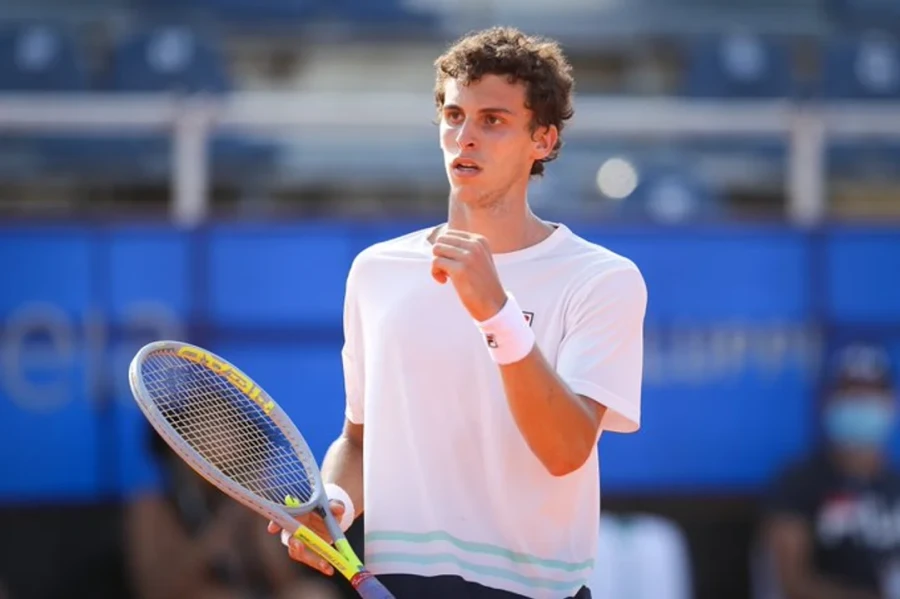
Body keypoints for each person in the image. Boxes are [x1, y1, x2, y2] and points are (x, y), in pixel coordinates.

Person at [268, 26, 647, 599]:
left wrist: (496, 314)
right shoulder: (377, 270)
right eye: (453, 116)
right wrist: (335, 503)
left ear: (541, 140)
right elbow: (361, 440)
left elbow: (567, 449)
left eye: (493, 120)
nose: (465, 137)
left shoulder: (602, 279)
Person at [125, 423, 338, 599]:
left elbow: (284, 580)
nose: (222, 436)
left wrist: (261, 519)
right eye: (206, 425)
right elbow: (156, 589)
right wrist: (220, 530)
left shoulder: (252, 497)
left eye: (227, 425)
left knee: (315, 594)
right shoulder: (153, 506)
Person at [761, 342, 900, 599]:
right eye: (850, 394)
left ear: (890, 404)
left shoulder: (896, 485)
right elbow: (792, 583)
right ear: (828, 402)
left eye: (869, 395)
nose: (860, 404)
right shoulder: (798, 483)